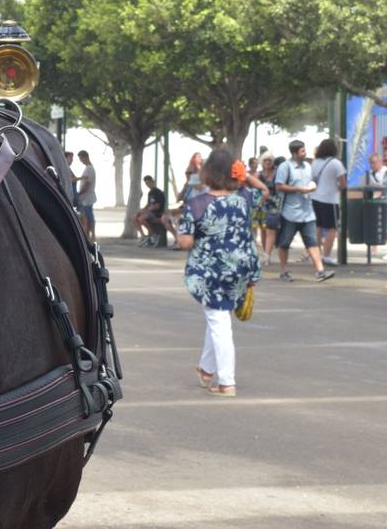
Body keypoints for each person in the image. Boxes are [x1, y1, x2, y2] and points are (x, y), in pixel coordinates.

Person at [178, 149, 269, 398]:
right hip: (241, 269)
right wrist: (246, 175)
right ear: (234, 171)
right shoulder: (244, 199)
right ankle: (207, 370)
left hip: (211, 272)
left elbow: (185, 242)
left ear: (206, 172)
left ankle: (226, 381)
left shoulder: (196, 204)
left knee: (219, 321)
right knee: (217, 315)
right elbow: (265, 190)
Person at [274, 139, 335, 282]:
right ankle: (284, 271)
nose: (305, 152)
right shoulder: (285, 167)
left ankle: (320, 271)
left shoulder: (308, 166)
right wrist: (298, 189)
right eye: (302, 150)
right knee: (284, 243)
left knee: (313, 243)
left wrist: (312, 186)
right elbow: (279, 186)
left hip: (308, 213)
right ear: (294, 153)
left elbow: (313, 181)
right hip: (290, 213)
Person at [310, 138, 347, 266]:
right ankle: (326, 256)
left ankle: (316, 254)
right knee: (332, 228)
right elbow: (342, 183)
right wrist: (337, 188)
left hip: (315, 198)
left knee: (318, 227)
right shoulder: (336, 163)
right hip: (330, 200)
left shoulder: (315, 162)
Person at [136, 175, 166, 246]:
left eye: (149, 183)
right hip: (149, 213)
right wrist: (142, 210)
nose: (148, 185)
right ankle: (143, 236)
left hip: (156, 213)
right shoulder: (150, 193)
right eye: (146, 183)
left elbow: (157, 206)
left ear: (152, 182)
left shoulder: (159, 193)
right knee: (134, 217)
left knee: (141, 219)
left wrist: (147, 210)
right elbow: (148, 204)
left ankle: (153, 235)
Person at [74, 150, 97, 238]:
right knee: (87, 217)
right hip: (86, 197)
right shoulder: (88, 168)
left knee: (88, 217)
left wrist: (79, 193)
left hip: (87, 198)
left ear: (85, 157)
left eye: (81, 159)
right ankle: (90, 235)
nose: (81, 161)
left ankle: (91, 235)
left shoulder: (89, 169)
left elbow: (87, 184)